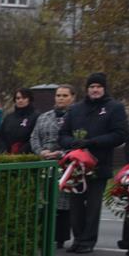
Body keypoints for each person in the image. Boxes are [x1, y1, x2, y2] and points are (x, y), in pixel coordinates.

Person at [60, 72, 129, 253]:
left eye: (98, 86)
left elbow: (120, 134)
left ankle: (88, 241)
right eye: (92, 87)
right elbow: (63, 134)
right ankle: (77, 239)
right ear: (87, 89)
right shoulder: (76, 109)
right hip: (76, 165)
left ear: (104, 88)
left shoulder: (114, 108)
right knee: (75, 203)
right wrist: (72, 143)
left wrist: (92, 142)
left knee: (92, 205)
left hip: (99, 163)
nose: (95, 90)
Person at [32, 85, 75, 247]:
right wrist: (40, 151)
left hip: (65, 163)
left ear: (72, 97)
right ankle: (42, 235)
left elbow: (76, 138)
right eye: (58, 95)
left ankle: (60, 237)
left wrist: (61, 154)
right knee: (43, 200)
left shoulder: (75, 116)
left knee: (62, 202)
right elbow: (34, 136)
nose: (61, 98)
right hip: (44, 161)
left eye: (65, 95)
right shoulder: (44, 117)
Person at [0, 89, 36, 154]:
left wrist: (21, 151)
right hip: (8, 155)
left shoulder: (36, 116)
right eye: (18, 98)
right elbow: (1, 136)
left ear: (29, 99)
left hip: (28, 155)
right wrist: (4, 150)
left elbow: (35, 137)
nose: (20, 100)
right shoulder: (8, 117)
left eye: (24, 98)